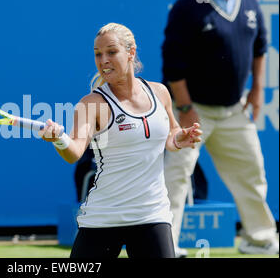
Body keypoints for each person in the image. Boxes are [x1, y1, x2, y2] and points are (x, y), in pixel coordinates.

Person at [39, 23, 202, 258]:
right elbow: (73, 152)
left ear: (131, 52)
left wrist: (179, 138)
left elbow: (169, 134)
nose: (103, 60)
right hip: (104, 217)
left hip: (152, 214)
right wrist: (59, 139)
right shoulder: (91, 104)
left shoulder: (160, 92)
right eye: (97, 54)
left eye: (111, 52)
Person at [162, 0, 278, 256]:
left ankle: (259, 239)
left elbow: (260, 46)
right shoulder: (188, 3)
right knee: (175, 175)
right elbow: (172, 61)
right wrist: (186, 107)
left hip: (234, 108)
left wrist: (257, 88)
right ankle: (164, 244)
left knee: (252, 172)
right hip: (192, 108)